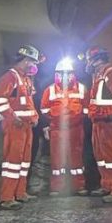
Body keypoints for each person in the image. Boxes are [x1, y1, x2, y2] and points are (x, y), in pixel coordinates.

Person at [0, 45, 43, 209]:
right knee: (13, 162)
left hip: (26, 126)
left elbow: (28, 103)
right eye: (32, 61)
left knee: (24, 162)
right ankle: (7, 197)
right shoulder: (10, 76)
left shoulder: (25, 78)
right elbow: (0, 101)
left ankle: (20, 193)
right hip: (15, 126)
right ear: (25, 60)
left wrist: (34, 117)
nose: (34, 65)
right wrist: (13, 118)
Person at [85, 46, 112, 203]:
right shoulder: (98, 74)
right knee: (101, 156)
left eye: (89, 59)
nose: (87, 63)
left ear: (97, 60)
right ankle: (107, 185)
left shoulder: (111, 73)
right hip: (99, 120)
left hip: (110, 120)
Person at [39, 56, 89, 196]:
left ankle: (79, 186)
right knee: (57, 158)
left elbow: (86, 107)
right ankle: (57, 187)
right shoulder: (50, 90)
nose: (65, 76)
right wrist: (54, 120)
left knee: (76, 157)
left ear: (73, 74)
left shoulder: (81, 88)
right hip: (57, 129)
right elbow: (44, 109)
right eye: (62, 73)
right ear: (57, 74)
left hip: (76, 129)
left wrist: (77, 117)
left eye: (68, 73)